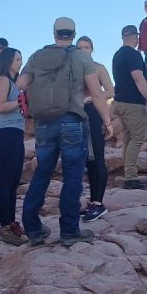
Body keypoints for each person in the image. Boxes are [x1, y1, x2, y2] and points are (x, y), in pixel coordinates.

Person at [18, 17, 112, 246]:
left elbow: (21, 83)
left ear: (54, 33)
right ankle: (69, 230)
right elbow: (97, 93)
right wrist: (107, 121)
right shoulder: (81, 56)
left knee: (41, 174)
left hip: (43, 122)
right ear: (73, 33)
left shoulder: (37, 56)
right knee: (73, 177)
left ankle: (32, 228)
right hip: (72, 120)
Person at [112, 24, 147, 190]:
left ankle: (128, 175)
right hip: (133, 104)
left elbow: (143, 70)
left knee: (128, 139)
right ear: (135, 36)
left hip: (119, 102)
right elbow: (138, 77)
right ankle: (131, 178)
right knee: (137, 139)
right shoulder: (133, 54)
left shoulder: (118, 54)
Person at [0, 48, 28, 245]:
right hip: (5, 132)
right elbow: (0, 106)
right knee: (6, 181)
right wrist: (20, 101)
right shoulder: (3, 80)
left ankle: (11, 223)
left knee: (13, 182)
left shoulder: (15, 82)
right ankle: (5, 225)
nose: (21, 62)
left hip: (15, 132)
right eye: (17, 59)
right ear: (8, 61)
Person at [76, 36, 115, 222]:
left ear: (92, 49)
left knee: (96, 157)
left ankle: (98, 203)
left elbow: (110, 91)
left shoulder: (98, 67)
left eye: (86, 47)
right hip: (74, 114)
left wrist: (92, 97)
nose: (83, 49)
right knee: (83, 159)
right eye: (80, 47)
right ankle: (89, 201)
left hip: (92, 112)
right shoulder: (72, 68)